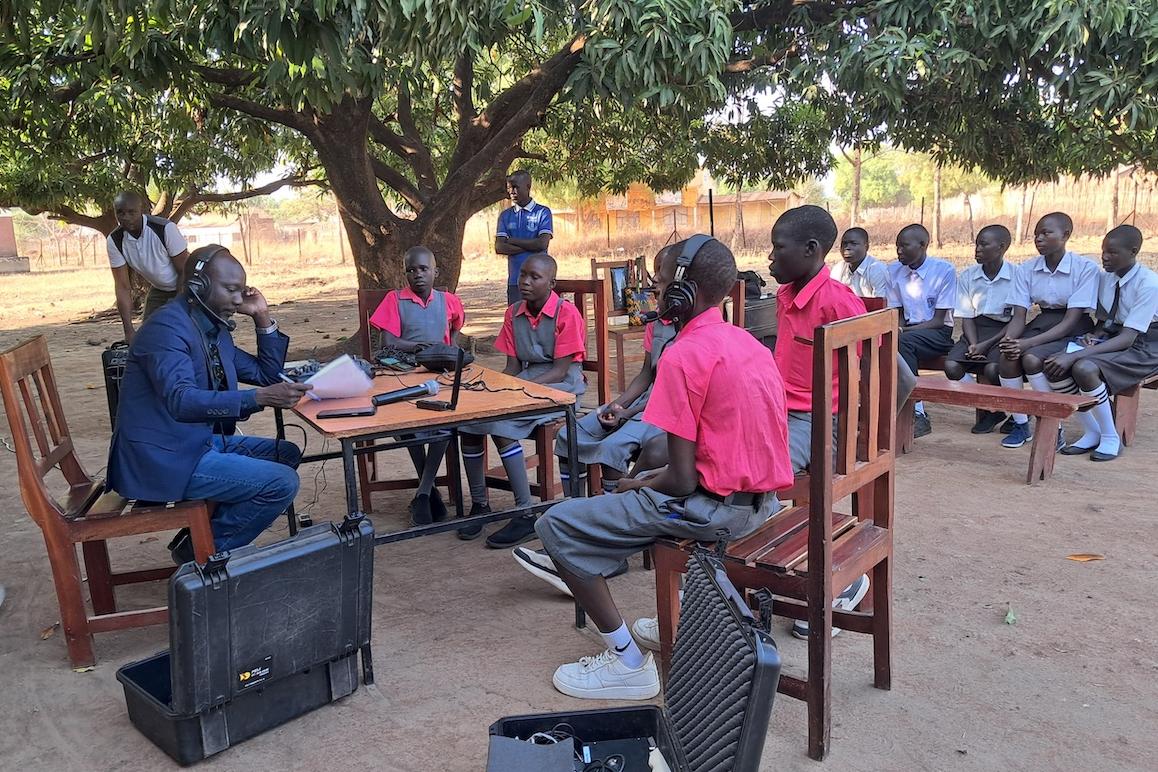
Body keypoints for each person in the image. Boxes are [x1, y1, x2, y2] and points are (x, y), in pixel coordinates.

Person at [515, 236, 792, 700]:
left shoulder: (684, 354)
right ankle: (649, 598)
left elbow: (680, 480)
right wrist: (647, 478)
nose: (655, 292)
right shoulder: (749, 343)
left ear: (683, 290)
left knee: (556, 525)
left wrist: (636, 485)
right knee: (636, 486)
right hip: (763, 504)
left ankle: (626, 663)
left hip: (716, 513)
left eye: (661, 284)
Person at [106, 245, 311, 564]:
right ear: (198, 286)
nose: (238, 300)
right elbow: (181, 400)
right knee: (282, 483)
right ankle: (202, 558)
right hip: (162, 458)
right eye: (231, 289)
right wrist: (258, 398)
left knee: (285, 454)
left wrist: (262, 317)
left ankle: (198, 540)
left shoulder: (211, 328)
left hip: (191, 444)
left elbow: (267, 375)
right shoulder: (165, 330)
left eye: (241, 291)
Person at [769, 205, 870, 639]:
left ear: (811, 249)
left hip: (816, 423)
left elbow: (891, 371)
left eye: (778, 248)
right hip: (779, 412)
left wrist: (861, 434)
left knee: (755, 469)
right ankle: (762, 571)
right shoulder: (785, 295)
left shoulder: (839, 303)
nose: (770, 257)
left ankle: (839, 584)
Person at [457, 253, 586, 548]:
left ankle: (525, 512)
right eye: (522, 275)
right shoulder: (513, 313)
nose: (525, 281)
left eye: (534, 277)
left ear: (551, 283)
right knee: (469, 422)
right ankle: (480, 504)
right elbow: (513, 367)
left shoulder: (566, 313)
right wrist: (493, 387)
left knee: (501, 426)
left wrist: (513, 390)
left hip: (560, 389)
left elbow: (560, 371)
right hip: (524, 382)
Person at [550, 249, 676, 495]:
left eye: (662, 276)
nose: (654, 281)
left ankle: (610, 504)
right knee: (568, 436)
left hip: (665, 411)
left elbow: (671, 396)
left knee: (611, 450)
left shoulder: (693, 331)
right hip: (642, 405)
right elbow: (646, 375)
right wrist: (618, 405)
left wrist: (628, 413)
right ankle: (575, 505)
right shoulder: (657, 322)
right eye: (655, 274)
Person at [368, 246, 466, 525]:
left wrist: (447, 351)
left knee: (446, 421)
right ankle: (428, 491)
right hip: (403, 372)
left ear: (436, 272)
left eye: (423, 269)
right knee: (406, 425)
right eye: (411, 270)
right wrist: (420, 346)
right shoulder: (395, 299)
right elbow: (389, 342)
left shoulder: (448, 301)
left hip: (439, 374)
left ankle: (423, 494)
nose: (417, 275)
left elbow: (453, 337)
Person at [1047, 225, 1157, 461]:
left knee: (1084, 367)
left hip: (1147, 343)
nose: (1105, 257)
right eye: (1103, 251)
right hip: (1114, 336)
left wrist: (1076, 355)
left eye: (1113, 252)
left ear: (1133, 252)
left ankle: (1110, 437)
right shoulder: (1105, 277)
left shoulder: (1149, 284)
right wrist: (1094, 335)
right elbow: (1105, 320)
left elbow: (1129, 337)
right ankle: (1092, 431)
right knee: (1054, 364)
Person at [997, 212, 1098, 450]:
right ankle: (1021, 424)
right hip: (1043, 322)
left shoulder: (1085, 268)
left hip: (1074, 326)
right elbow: (1019, 316)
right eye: (1036, 234)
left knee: (1032, 359)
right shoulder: (1027, 268)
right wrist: (1011, 341)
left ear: (1066, 235)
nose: (1038, 239)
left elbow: (1070, 321)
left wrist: (1027, 344)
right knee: (1007, 357)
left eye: (1046, 233)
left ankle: (1053, 427)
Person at [945, 224, 1019, 434]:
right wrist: (974, 343)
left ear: (1002, 247)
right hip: (975, 331)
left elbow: (1016, 320)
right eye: (976, 244)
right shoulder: (968, 275)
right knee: (952, 366)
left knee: (993, 369)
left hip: (1004, 331)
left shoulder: (1017, 275)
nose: (977, 249)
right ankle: (991, 407)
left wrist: (986, 345)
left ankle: (1015, 411)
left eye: (984, 244)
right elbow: (967, 316)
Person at [887, 224, 957, 437]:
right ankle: (890, 408)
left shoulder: (944, 271)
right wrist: (897, 328)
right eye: (897, 246)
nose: (899, 251)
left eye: (904, 246)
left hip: (938, 333)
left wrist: (902, 331)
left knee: (902, 342)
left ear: (923, 245)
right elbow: (897, 312)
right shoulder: (893, 271)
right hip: (909, 331)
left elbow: (938, 321)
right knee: (887, 341)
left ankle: (917, 413)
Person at [106, 191, 190, 342]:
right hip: (160, 289)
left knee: (186, 332)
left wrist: (177, 306)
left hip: (188, 285)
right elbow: (122, 287)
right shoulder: (115, 241)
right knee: (147, 337)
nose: (126, 217)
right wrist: (128, 331)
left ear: (142, 210)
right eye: (120, 213)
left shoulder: (164, 229)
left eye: (131, 212)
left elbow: (185, 271)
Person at [495, 170, 553, 306]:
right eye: (509, 188)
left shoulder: (542, 212)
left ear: (528, 187)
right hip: (515, 281)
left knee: (542, 317)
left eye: (516, 187)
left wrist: (512, 241)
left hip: (539, 280)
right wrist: (532, 246)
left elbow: (542, 244)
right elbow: (499, 247)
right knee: (516, 316)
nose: (512, 192)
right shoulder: (505, 216)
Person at [832, 227, 891, 299]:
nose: (847, 247)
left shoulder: (877, 269)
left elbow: (880, 303)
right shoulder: (838, 268)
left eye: (853, 243)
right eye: (844, 244)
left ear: (866, 247)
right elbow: (833, 297)